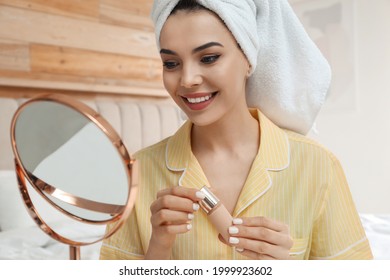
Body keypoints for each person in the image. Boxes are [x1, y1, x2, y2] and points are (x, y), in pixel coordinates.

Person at [99, 0, 372, 260]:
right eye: (171, 63)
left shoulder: (317, 166)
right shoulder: (141, 172)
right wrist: (158, 248)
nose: (188, 79)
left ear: (248, 58)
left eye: (209, 58)